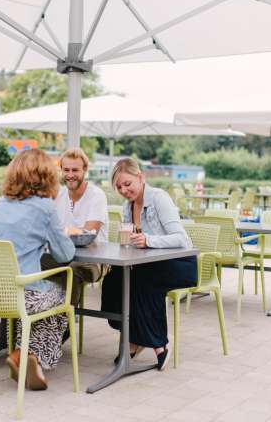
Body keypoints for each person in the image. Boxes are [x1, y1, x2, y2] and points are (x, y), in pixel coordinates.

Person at [0, 149, 76, 390]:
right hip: (21, 295)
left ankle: (26, 354)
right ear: (47, 176)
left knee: (41, 295)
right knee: (61, 294)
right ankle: (28, 355)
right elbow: (65, 255)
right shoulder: (44, 207)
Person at [101, 157, 197, 371]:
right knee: (114, 278)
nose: (124, 190)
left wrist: (148, 240)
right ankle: (135, 336)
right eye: (119, 187)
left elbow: (181, 239)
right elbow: (131, 242)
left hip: (180, 263)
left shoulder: (159, 198)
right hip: (149, 264)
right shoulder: (127, 207)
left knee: (141, 280)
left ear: (140, 177)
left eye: (127, 184)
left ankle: (158, 345)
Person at [46, 148, 108, 307]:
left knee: (72, 271)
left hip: (94, 260)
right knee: (30, 264)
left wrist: (59, 234)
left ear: (85, 170)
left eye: (75, 170)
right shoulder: (58, 195)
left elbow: (86, 236)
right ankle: (35, 314)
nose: (70, 174)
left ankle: (64, 319)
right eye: (66, 170)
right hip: (62, 256)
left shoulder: (96, 195)